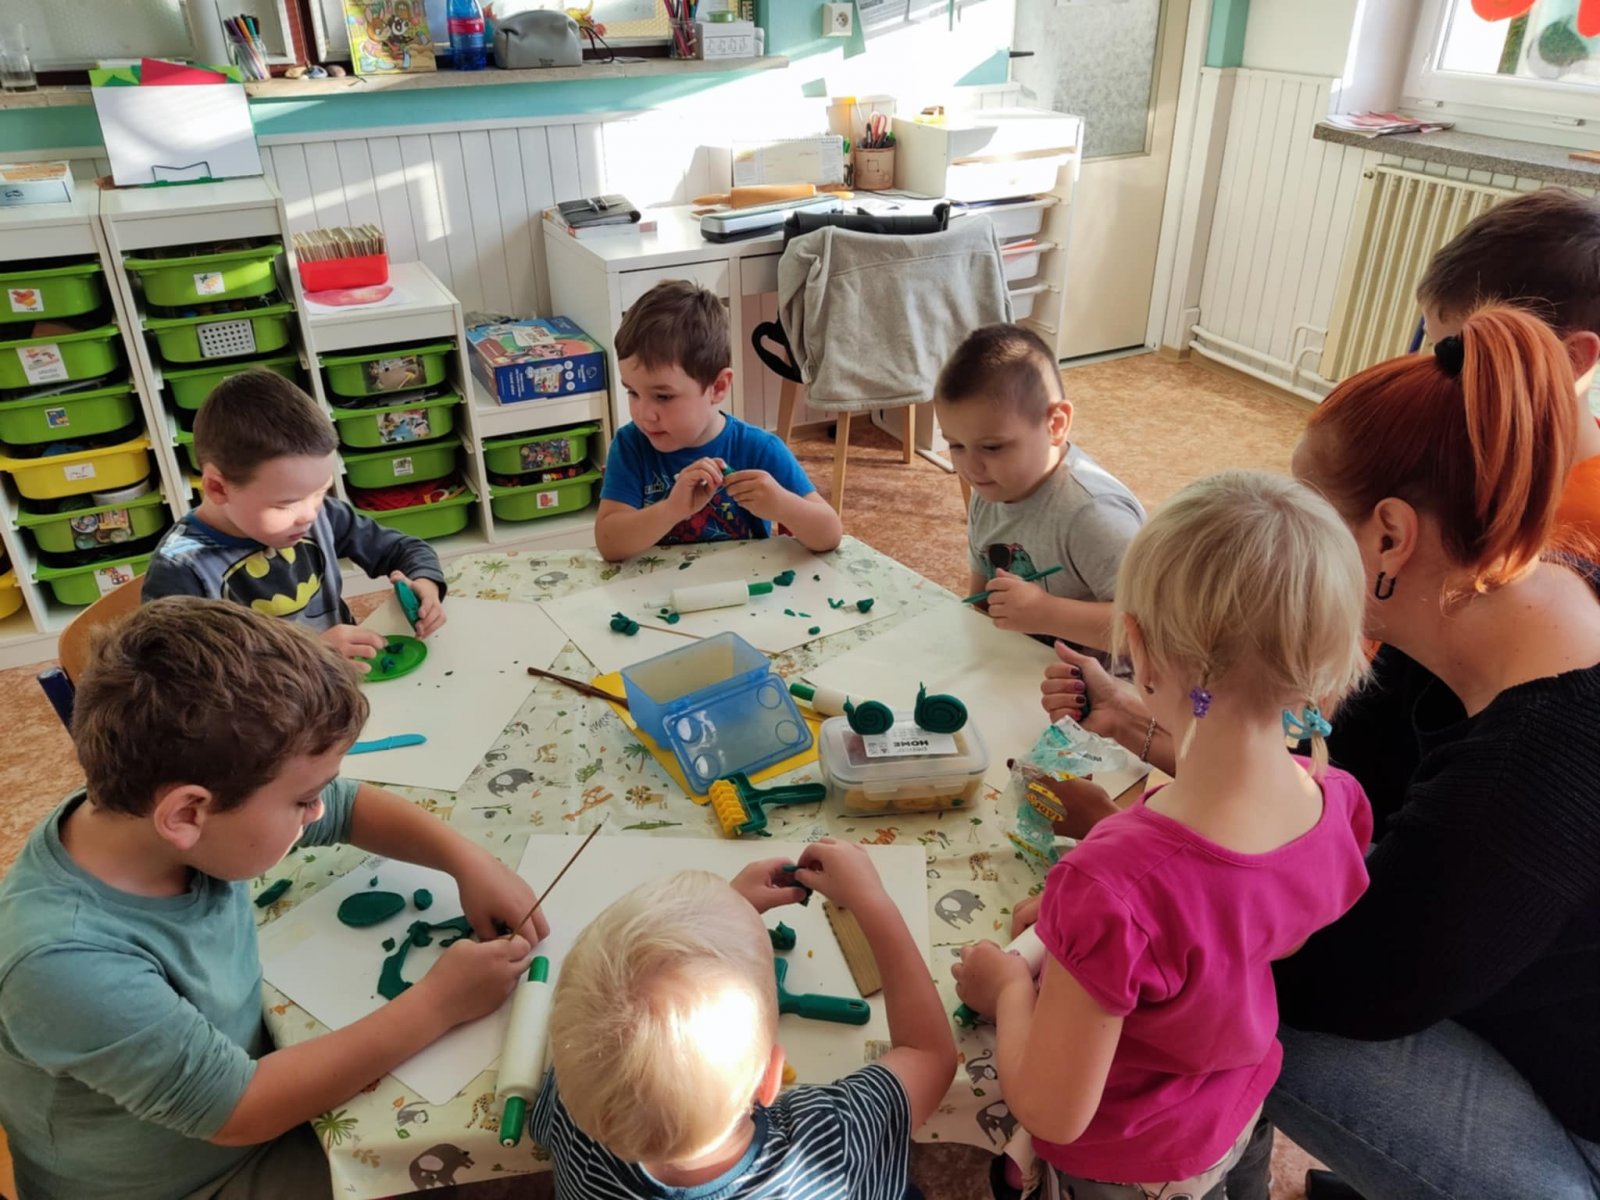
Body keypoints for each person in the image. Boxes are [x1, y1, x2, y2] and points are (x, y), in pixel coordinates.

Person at [1046, 308, 1600, 1198]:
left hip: (1571, 1109)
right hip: (1461, 971)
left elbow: (1329, 970)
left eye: (1307, 509)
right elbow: (1305, 806)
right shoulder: (1470, 606)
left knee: (1212, 1011)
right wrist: (1145, 728)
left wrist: (1123, 904)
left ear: (1390, 537)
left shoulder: (1528, 782)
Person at [0, 598, 544, 1200]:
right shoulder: (66, 965)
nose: (316, 810)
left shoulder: (145, 812)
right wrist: (439, 1004)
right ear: (187, 814)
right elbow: (242, 1110)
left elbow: (345, 807)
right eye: (301, 800)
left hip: (234, 1094)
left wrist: (466, 860)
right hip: (191, 1177)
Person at [957, 470, 1371, 1199]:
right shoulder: (1335, 800)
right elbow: (1245, 920)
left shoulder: (1108, 886)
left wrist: (1010, 991)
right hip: (1237, 1109)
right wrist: (1097, 935)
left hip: (1129, 1160)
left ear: (1138, 651)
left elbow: (1052, 1110)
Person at [529, 840, 956, 1198]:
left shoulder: (575, 1113)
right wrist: (871, 900)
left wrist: (724, 919)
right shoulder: (830, 1143)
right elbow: (929, 1055)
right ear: (771, 1078)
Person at [142, 369, 447, 671]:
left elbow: (403, 549)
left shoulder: (322, 514)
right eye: (286, 504)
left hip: (342, 677)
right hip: (266, 697)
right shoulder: (179, 569)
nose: (309, 515)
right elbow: (180, 677)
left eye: (321, 491)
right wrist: (309, 654)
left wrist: (425, 583)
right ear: (217, 488)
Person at [594, 279, 843, 561]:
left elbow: (830, 534)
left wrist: (784, 506)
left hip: (744, 586)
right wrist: (672, 509)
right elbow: (609, 543)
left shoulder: (759, 449)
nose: (643, 413)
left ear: (719, 387)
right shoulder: (630, 446)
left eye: (663, 396)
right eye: (633, 392)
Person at [933, 323, 1143, 653]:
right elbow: (981, 601)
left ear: (1055, 425)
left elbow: (1152, 630)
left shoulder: (1094, 514)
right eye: (956, 445)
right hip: (1022, 667)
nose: (970, 467)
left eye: (992, 447)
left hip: (1108, 681)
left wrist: (1046, 613)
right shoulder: (992, 490)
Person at [1417, 187, 1600, 539]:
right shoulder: (1470, 450)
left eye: (1464, 363)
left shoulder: (1583, 524)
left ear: (1572, 359)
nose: (1438, 380)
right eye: (1434, 347)